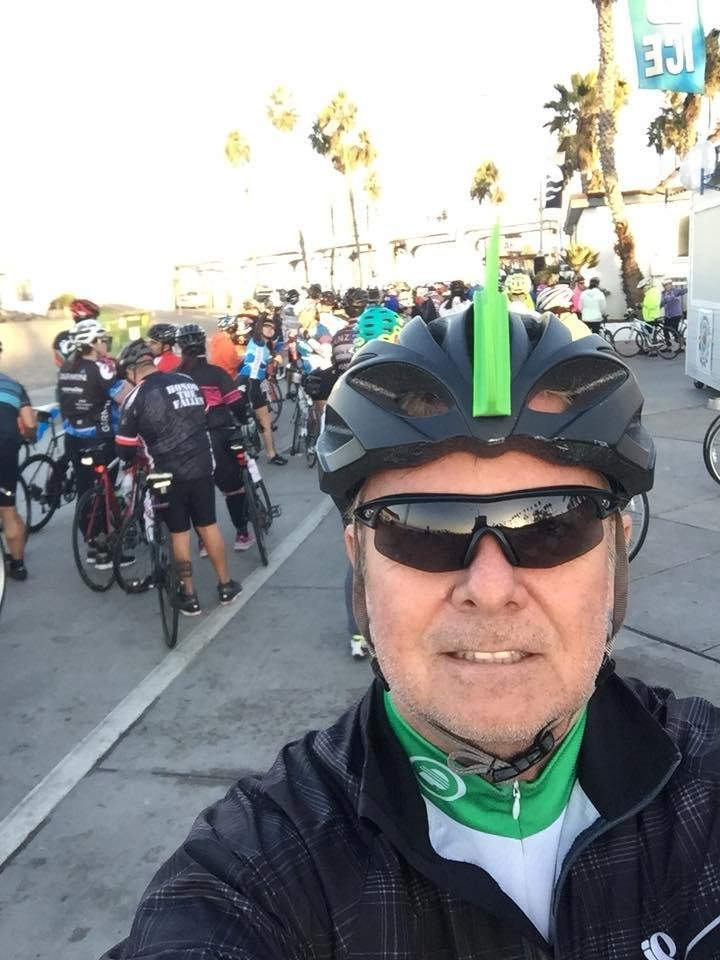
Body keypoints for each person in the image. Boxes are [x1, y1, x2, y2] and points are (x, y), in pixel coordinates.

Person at [106, 275, 720, 960]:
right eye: (422, 529)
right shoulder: (256, 869)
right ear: (359, 564)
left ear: (614, 553)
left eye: (554, 525)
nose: (490, 589)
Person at [115, 340, 241, 614]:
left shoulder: (135, 397)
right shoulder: (186, 381)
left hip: (165, 474)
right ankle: (225, 585)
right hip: (202, 466)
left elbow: (124, 448)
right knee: (208, 526)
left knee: (179, 533)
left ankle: (189, 596)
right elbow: (203, 413)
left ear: (132, 371)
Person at [175, 324, 255, 553]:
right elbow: (236, 403)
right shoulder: (216, 373)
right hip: (219, 434)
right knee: (233, 489)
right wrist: (244, 418)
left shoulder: (174, 377)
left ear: (181, 348)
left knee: (196, 494)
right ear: (204, 345)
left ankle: (203, 542)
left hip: (188, 441)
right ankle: (242, 533)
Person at [57, 319, 127, 534]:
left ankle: (89, 535)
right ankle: (106, 537)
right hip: (99, 436)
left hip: (73, 437)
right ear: (93, 343)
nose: (106, 343)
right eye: (103, 340)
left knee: (85, 486)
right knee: (105, 487)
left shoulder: (66, 368)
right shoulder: (101, 368)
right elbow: (124, 397)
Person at [0, 341, 35, 580]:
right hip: (6, 449)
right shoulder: (13, 386)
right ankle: (18, 565)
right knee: (8, 510)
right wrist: (28, 436)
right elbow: (30, 423)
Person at [238, 312, 288, 465]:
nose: (270, 329)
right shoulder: (257, 341)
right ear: (260, 329)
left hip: (254, 383)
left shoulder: (266, 346)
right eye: (267, 327)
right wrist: (264, 316)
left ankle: (268, 452)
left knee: (261, 419)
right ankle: (269, 453)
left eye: (272, 328)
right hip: (249, 382)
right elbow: (258, 327)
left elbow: (280, 344)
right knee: (260, 419)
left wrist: (278, 323)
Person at [51, 298, 101, 367]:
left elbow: (58, 362)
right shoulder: (97, 335)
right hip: (91, 371)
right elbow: (101, 357)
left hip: (66, 372)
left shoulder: (61, 336)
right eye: (95, 317)